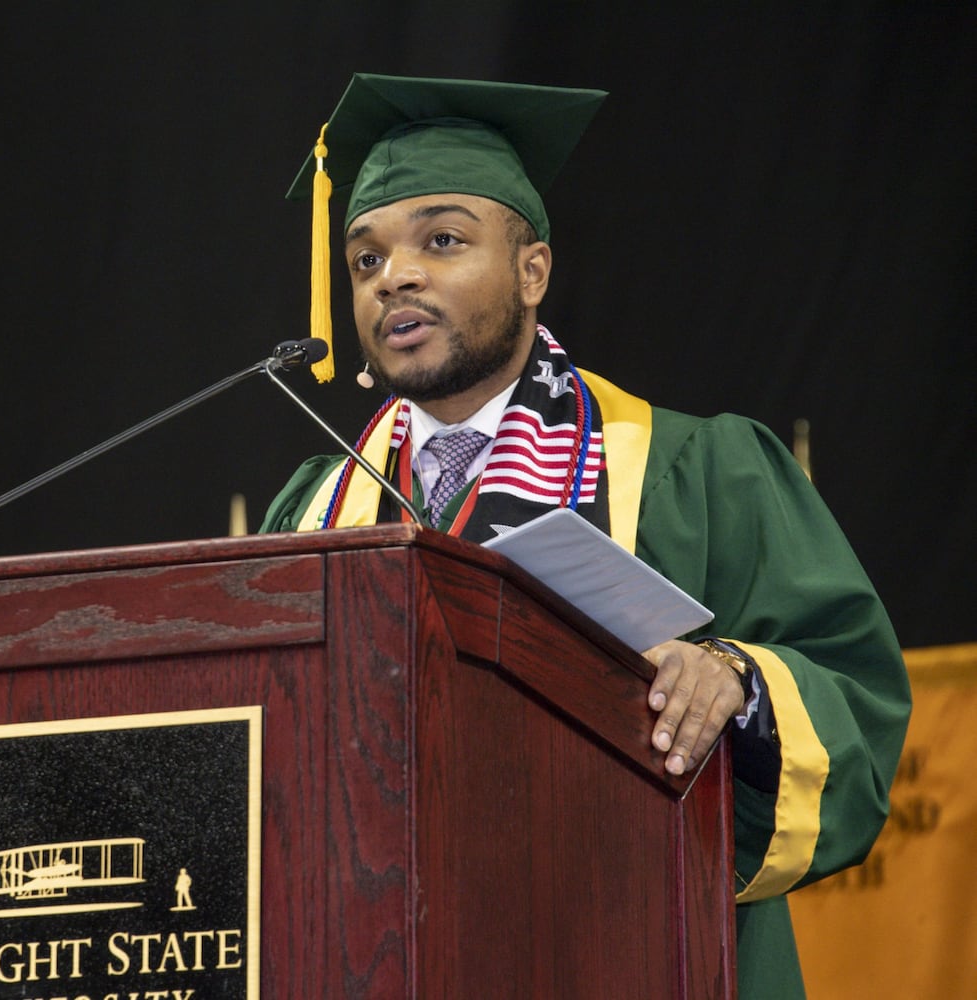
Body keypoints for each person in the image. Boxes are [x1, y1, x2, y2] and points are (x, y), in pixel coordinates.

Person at [261, 73, 910, 999]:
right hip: (377, 956)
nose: (393, 276)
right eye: (364, 261)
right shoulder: (318, 508)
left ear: (533, 271)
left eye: (441, 241)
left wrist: (734, 681)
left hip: (634, 949)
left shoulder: (699, 471)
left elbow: (858, 697)